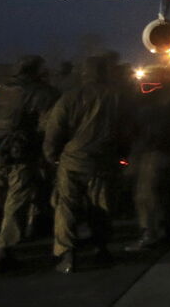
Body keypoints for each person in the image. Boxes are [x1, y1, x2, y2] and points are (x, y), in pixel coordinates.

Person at [44, 52, 133, 274]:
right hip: (103, 161)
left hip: (73, 161)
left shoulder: (69, 97)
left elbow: (54, 130)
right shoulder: (118, 97)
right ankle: (101, 250)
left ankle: (67, 256)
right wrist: (122, 155)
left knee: (66, 208)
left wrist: (52, 156)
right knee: (101, 207)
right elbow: (128, 130)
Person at [0, 55, 59, 274]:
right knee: (16, 202)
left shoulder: (2, 91)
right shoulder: (42, 92)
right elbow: (52, 125)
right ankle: (4, 253)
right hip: (23, 155)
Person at [126, 60, 170, 252]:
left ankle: (150, 235)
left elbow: (141, 125)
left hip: (154, 151)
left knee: (146, 196)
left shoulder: (149, 98)